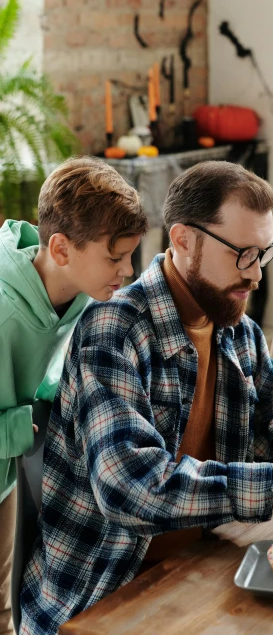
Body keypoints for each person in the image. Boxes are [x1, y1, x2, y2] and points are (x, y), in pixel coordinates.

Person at [20, 161, 273, 635]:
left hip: (206, 572)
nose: (255, 276)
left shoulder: (238, 331)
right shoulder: (112, 331)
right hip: (101, 601)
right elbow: (128, 486)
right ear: (183, 240)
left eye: (263, 253)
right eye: (241, 254)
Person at [0, 156, 148, 635]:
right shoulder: (3, 315)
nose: (127, 271)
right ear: (61, 249)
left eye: (131, 256)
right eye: (115, 258)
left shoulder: (85, 290)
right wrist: (23, 426)